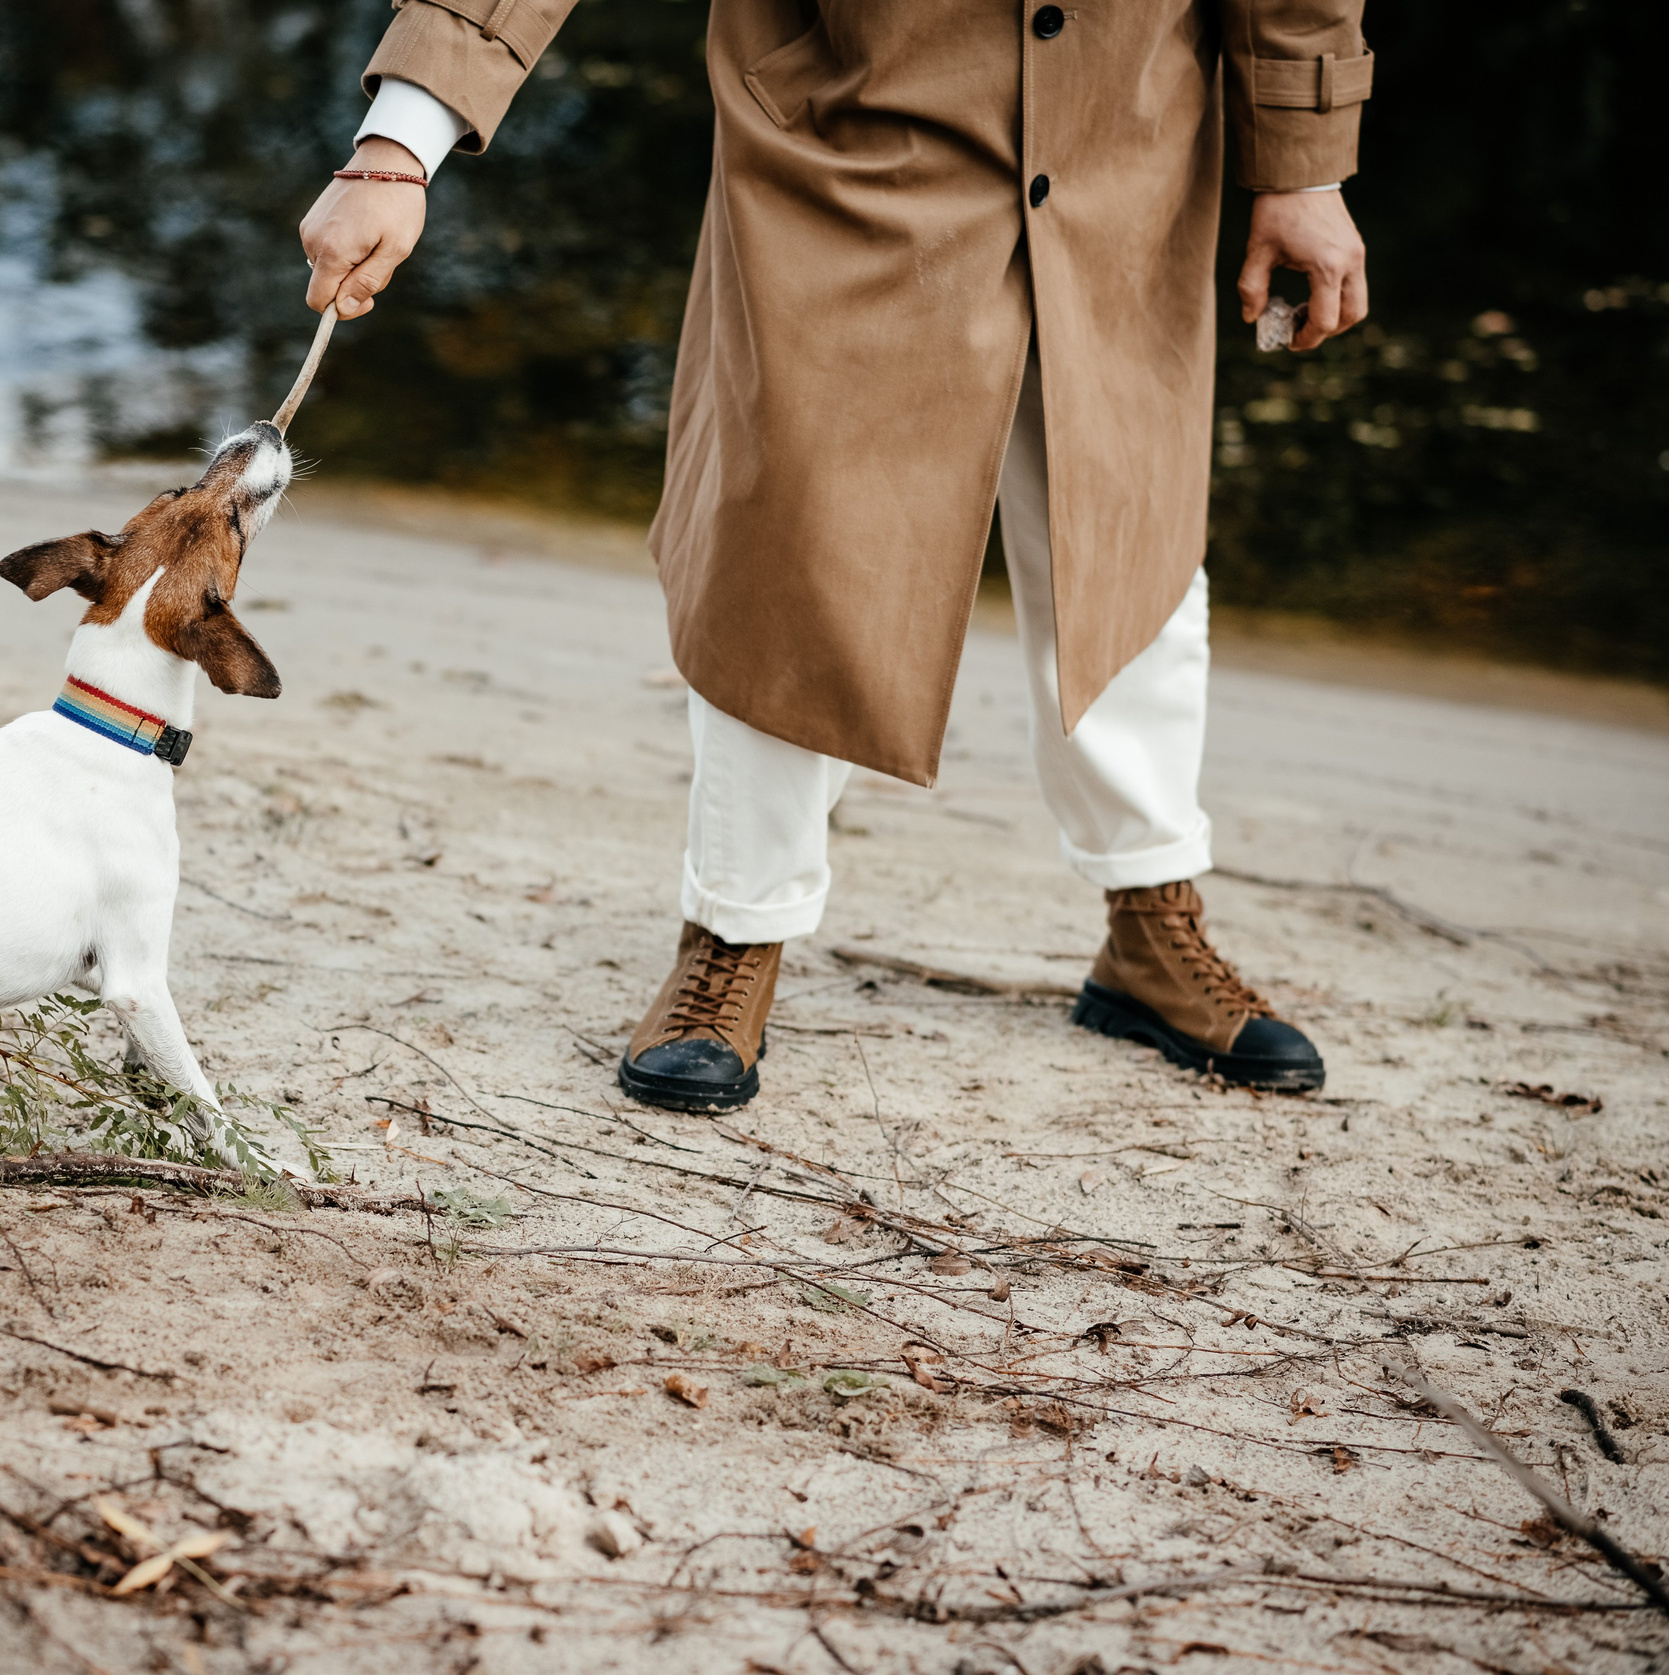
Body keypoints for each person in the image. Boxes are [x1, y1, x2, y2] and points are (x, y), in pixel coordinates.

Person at [299, 2, 1373, 1111]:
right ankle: (734, 933)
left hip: (1130, 141)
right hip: (847, 136)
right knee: (793, 538)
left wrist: (1303, 165)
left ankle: (1153, 918)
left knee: (1126, 522)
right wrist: (400, 147)